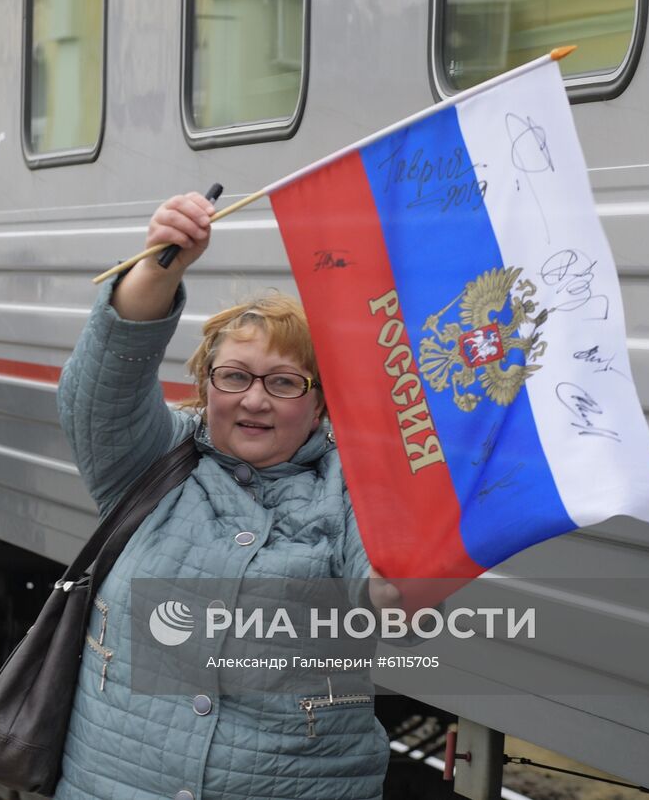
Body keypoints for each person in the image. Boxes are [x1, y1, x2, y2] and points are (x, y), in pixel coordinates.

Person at [54, 193, 400, 800]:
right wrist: (160, 266)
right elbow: (99, 395)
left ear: (321, 403)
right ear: (206, 385)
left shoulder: (353, 488)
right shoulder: (153, 463)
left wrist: (403, 587)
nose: (254, 399)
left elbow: (386, 595)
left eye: (285, 382)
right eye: (234, 376)